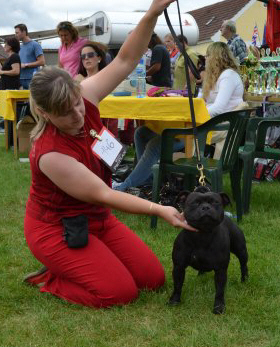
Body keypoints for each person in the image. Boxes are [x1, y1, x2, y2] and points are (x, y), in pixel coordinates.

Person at [23, 0, 195, 309]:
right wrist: (159, 209)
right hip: (57, 228)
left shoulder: (84, 96)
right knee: (118, 293)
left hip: (97, 221)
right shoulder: (50, 154)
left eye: (77, 103)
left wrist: (153, 12)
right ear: (46, 114)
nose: (78, 114)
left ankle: (91, 257)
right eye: (66, 112)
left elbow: (127, 60)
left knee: (152, 279)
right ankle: (53, 277)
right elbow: (104, 194)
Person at [200, 41, 245, 159]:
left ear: (216, 58)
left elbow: (219, 108)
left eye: (208, 55)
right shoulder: (215, 76)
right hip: (214, 122)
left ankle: (185, 169)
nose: (205, 58)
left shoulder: (228, 76)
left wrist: (195, 115)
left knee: (178, 132)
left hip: (222, 125)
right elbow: (200, 101)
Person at [74, 42, 118, 136]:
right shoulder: (77, 80)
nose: (86, 58)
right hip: (84, 124)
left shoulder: (108, 78)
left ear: (99, 58)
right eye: (83, 56)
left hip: (106, 122)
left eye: (90, 55)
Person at [14, 24, 45, 89]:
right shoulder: (20, 47)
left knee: (32, 99)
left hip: (32, 79)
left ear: (24, 32)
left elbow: (42, 62)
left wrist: (25, 65)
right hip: (21, 79)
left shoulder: (35, 45)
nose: (15, 35)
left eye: (17, 33)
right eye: (15, 33)